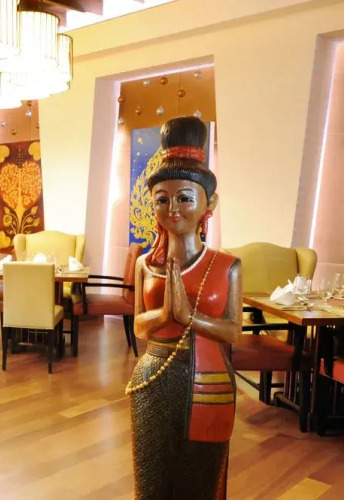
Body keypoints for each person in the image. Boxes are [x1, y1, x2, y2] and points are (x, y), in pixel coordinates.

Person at [127, 116, 242, 500]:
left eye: (185, 198)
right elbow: (138, 328)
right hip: (153, 376)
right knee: (152, 478)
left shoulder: (227, 265)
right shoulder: (146, 264)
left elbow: (233, 331)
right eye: (162, 199)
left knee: (201, 478)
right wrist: (164, 315)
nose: (172, 208)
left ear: (210, 203)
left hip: (209, 378)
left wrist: (190, 318)